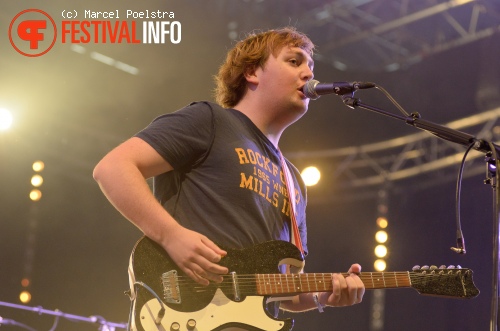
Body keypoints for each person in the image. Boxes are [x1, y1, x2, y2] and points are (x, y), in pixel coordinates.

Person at [93, 26, 365, 327]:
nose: (308, 75)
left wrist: (323, 296)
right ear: (252, 72)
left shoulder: (295, 181)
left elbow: (280, 288)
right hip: (182, 313)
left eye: (311, 66)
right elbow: (113, 168)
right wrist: (171, 235)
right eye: (294, 61)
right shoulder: (211, 121)